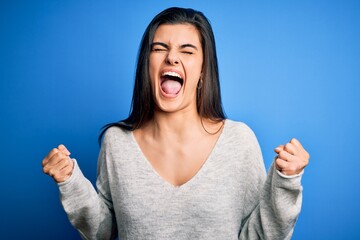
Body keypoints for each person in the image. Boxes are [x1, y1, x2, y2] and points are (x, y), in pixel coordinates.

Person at [42, 7, 309, 240]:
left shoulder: (238, 141)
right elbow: (101, 232)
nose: (171, 57)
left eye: (187, 50)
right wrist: (70, 182)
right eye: (159, 48)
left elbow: (260, 236)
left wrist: (285, 181)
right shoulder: (117, 142)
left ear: (203, 69)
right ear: (147, 64)